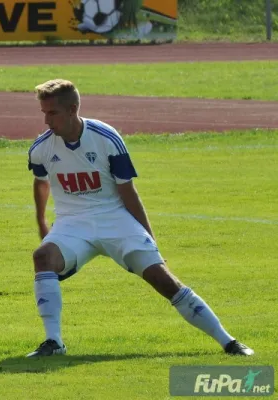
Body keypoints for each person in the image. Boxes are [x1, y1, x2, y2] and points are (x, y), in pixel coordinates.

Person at [25, 78, 254, 358]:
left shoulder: (106, 138)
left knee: (163, 279)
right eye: (44, 113)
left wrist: (149, 238)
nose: (47, 121)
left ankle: (228, 341)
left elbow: (128, 191)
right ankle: (53, 342)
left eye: (52, 113)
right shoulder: (41, 148)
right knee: (42, 257)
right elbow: (41, 181)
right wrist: (41, 222)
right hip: (72, 222)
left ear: (72, 109)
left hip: (115, 218)